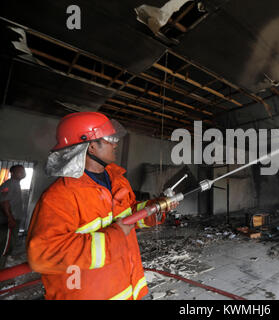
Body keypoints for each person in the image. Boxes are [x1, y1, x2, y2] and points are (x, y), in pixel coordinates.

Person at [26, 112, 178, 300]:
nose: (115, 144)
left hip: (125, 287)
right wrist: (114, 236)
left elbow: (130, 215)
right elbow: (43, 254)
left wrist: (157, 207)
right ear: (90, 147)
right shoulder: (60, 195)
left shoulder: (117, 181)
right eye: (109, 139)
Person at [0, 165, 26, 268]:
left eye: (23, 171)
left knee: (10, 242)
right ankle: (1, 269)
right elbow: (4, 202)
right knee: (5, 245)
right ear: (13, 173)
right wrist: (10, 218)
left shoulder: (16, 184)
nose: (23, 173)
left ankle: (4, 262)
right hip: (9, 220)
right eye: (20, 171)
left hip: (14, 219)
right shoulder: (9, 184)